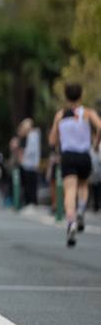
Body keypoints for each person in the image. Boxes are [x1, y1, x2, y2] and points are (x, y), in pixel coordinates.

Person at [50, 83, 101, 247]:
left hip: (68, 156)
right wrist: (95, 143)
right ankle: (81, 210)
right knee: (83, 185)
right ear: (81, 95)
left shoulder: (60, 115)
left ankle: (71, 221)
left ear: (66, 96)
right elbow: (100, 126)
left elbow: (52, 140)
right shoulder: (88, 113)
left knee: (70, 190)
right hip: (84, 156)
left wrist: (60, 140)